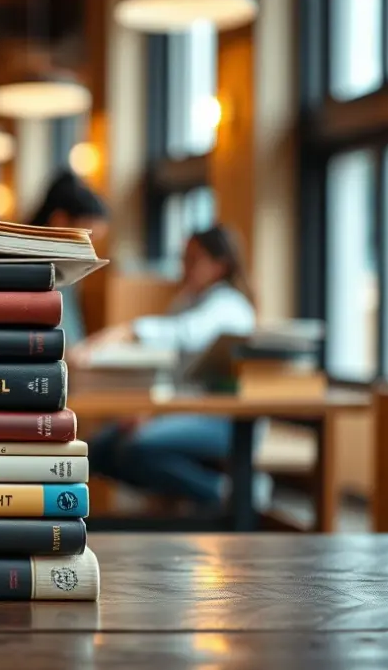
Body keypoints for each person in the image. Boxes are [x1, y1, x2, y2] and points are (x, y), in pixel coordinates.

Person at [76, 225, 268, 510]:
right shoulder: (187, 300)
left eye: (193, 259)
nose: (184, 267)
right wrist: (149, 411)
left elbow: (183, 334)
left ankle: (228, 494)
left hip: (224, 420)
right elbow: (173, 370)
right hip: (184, 409)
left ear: (219, 265)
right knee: (99, 448)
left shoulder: (229, 306)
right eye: (183, 258)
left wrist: (126, 331)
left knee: (134, 446)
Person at [27, 171, 109, 344]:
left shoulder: (66, 268)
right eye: (88, 238)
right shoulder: (33, 270)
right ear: (60, 221)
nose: (91, 250)